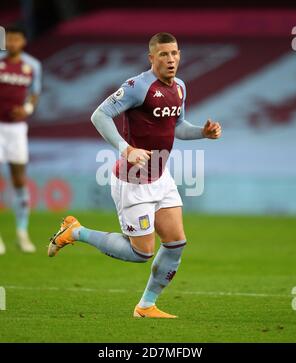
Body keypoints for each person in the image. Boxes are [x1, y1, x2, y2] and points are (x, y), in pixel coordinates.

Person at [48, 32, 221, 318]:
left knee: (176, 243)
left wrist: (202, 133)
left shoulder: (179, 87)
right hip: (133, 181)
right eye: (164, 54)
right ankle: (75, 232)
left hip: (161, 177)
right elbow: (99, 116)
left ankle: (146, 306)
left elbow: (176, 126)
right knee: (141, 253)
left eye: (175, 53)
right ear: (151, 57)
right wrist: (125, 148)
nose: (171, 59)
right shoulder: (137, 86)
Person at [0, 25, 42, 255]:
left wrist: (26, 109)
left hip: (17, 129)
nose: (13, 43)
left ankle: (22, 232)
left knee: (18, 178)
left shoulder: (33, 65)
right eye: (10, 39)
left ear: (23, 41)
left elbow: (35, 94)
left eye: (17, 39)